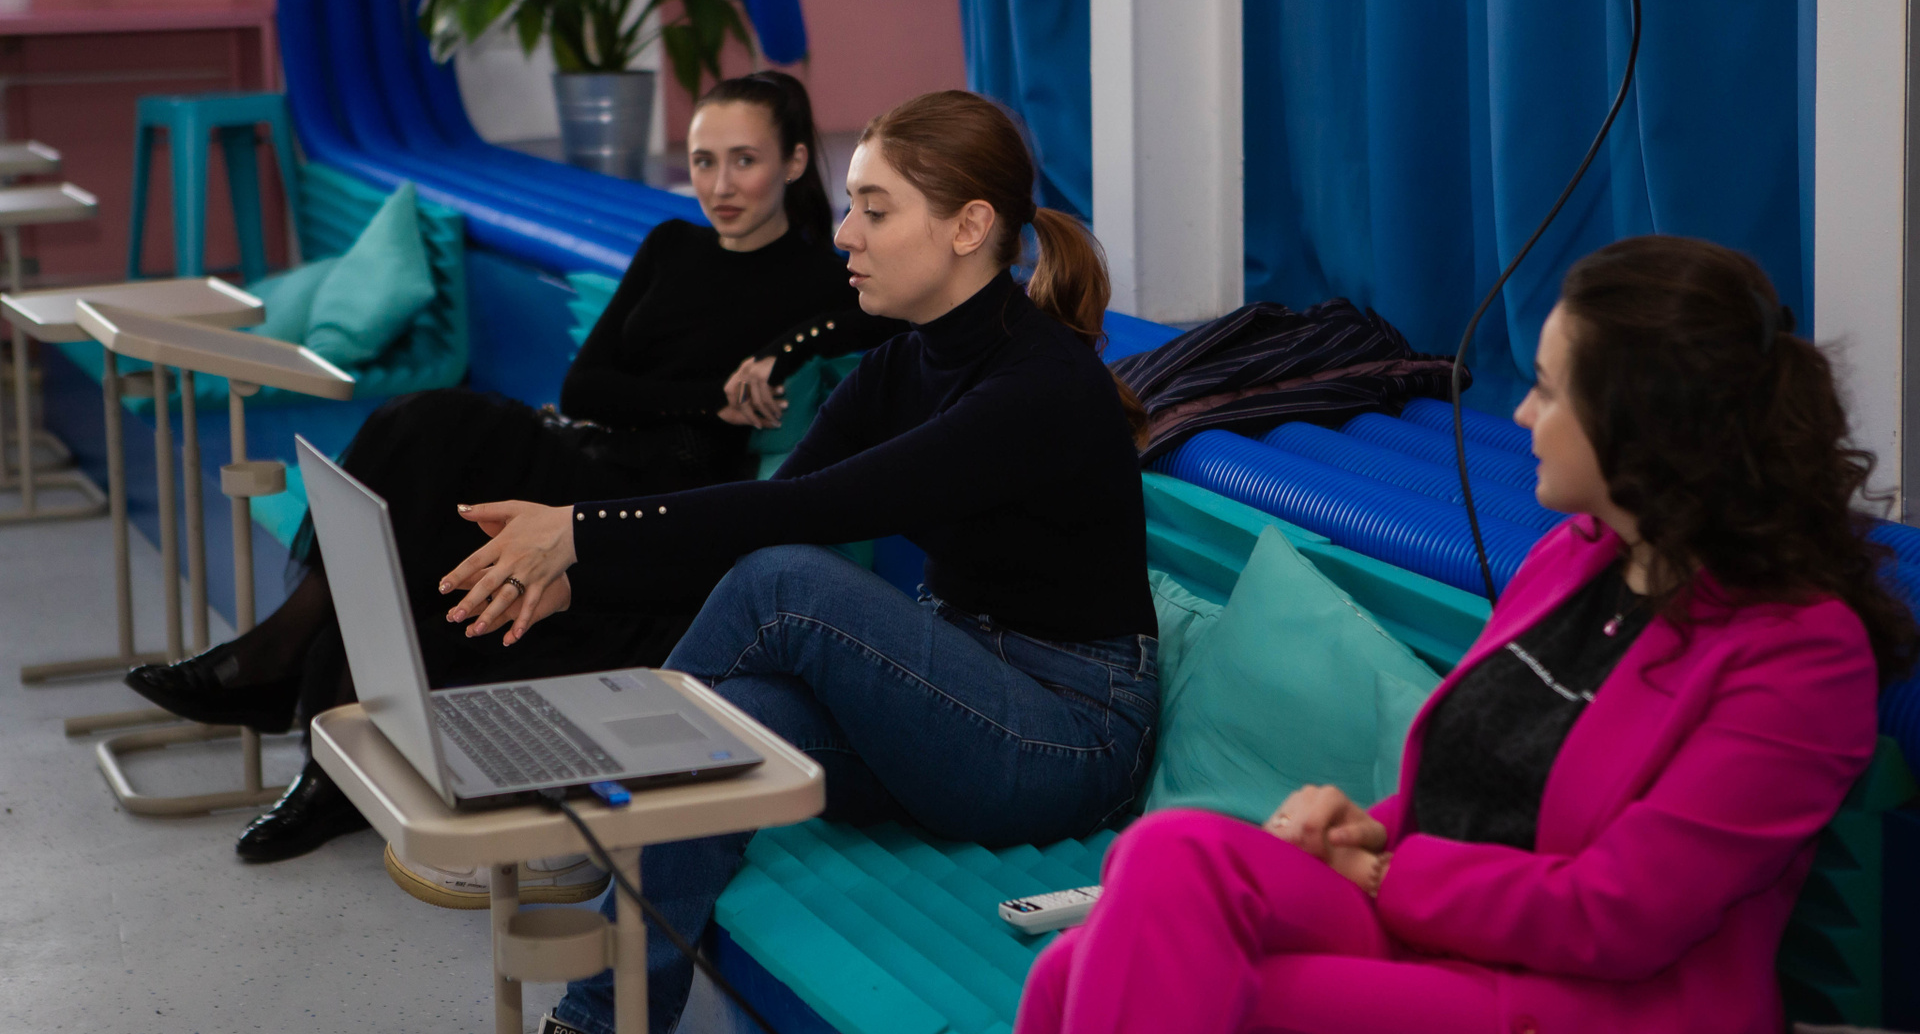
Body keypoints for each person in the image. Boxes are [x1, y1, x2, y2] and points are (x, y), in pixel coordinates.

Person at [1011, 234, 1920, 1034]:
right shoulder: (1577, 555)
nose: (1522, 414)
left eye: (1550, 391)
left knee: (1186, 990)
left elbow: (1618, 916)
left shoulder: (1801, 657)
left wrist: (1381, 874)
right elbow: (1476, 784)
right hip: (1454, 933)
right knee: (1153, 870)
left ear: (1644, 428)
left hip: (1592, 998)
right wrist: (1368, 828)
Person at [416, 90, 1159, 1034]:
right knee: (740, 723)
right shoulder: (901, 366)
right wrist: (579, 577)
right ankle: (603, 1017)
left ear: (970, 227)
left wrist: (579, 530)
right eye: (851, 206)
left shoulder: (1036, 387)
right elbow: (762, 521)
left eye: (875, 210)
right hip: (957, 704)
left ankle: (590, 814)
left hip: (1067, 740)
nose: (846, 234)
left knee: (785, 584)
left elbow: (804, 515)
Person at [125, 71, 897, 873]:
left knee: (430, 435)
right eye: (704, 161)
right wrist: (713, 398)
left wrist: (786, 350)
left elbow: (880, 322)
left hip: (665, 498)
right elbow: (585, 386)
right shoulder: (672, 245)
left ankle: (279, 677)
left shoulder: (818, 274)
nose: (721, 185)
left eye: (745, 161)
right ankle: (316, 744)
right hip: (585, 455)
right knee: (421, 454)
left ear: (795, 162)